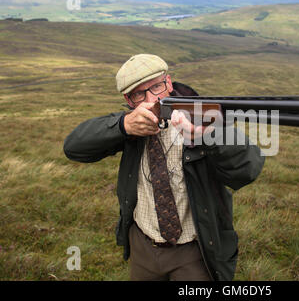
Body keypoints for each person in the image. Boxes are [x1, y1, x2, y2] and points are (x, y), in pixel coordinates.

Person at [63, 54, 265, 281]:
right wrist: (123, 125)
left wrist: (211, 136)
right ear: (129, 100)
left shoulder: (201, 118)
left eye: (156, 87)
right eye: (139, 93)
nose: (151, 100)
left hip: (195, 250)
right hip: (143, 246)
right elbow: (74, 148)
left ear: (168, 83)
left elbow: (248, 169)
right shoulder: (132, 124)